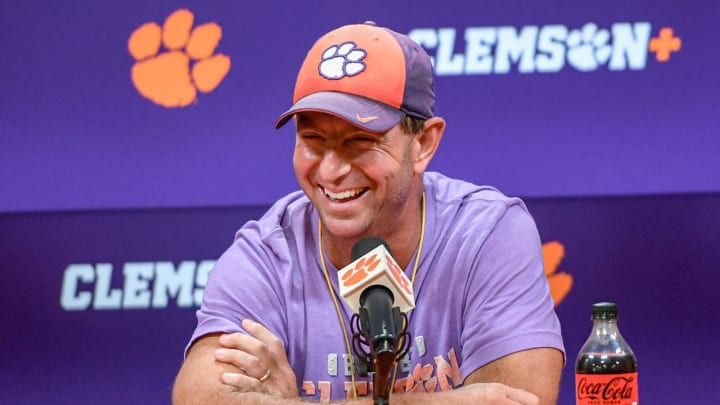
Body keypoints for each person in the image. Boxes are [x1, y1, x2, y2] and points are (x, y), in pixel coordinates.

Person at [172, 22, 564, 404]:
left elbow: (521, 400)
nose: (329, 171)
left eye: (359, 141)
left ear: (424, 143)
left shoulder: (487, 233)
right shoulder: (266, 255)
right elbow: (199, 396)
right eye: (312, 139)